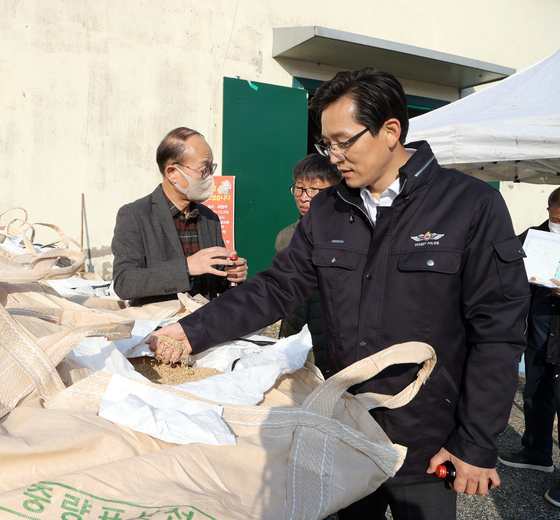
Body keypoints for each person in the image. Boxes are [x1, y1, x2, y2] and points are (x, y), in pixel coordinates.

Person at [149, 69, 530, 519]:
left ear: (391, 131)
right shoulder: (330, 209)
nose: (335, 156)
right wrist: (191, 331)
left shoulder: (468, 204)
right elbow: (276, 287)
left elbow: (498, 330)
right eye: (326, 144)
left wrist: (476, 441)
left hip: (427, 440)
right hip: (346, 428)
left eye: (344, 141)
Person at [111, 127, 248, 306]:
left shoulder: (209, 218)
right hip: (159, 328)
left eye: (211, 168)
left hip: (203, 324)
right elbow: (124, 282)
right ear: (172, 173)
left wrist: (231, 275)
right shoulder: (135, 215)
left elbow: (214, 281)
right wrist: (186, 267)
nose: (209, 177)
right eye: (203, 169)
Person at [498, 187, 560, 508]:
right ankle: (536, 452)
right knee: (535, 391)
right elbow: (505, 268)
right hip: (537, 332)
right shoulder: (532, 237)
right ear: (549, 207)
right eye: (556, 207)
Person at [275, 154, 341, 375]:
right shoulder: (285, 238)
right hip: (292, 341)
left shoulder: (349, 237)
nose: (304, 197)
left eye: (314, 189)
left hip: (335, 346)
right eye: (299, 188)